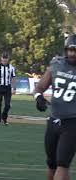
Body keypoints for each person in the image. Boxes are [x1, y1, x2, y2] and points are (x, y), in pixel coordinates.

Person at [34, 34, 76, 180]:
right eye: (70, 50)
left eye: (75, 50)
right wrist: (38, 97)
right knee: (52, 165)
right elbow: (40, 87)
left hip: (72, 123)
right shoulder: (56, 64)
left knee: (62, 164)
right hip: (53, 121)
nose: (72, 54)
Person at [0, 52, 16, 126]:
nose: (4, 61)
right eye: (3, 60)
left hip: (7, 87)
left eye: (5, 60)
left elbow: (13, 77)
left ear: (8, 59)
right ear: (1, 59)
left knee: (8, 105)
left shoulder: (11, 67)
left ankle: (4, 118)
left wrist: (14, 88)